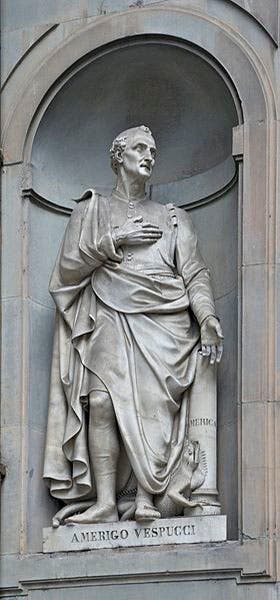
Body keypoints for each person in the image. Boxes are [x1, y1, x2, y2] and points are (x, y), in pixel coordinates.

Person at [43, 125, 223, 525]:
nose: (149, 156)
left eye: (153, 151)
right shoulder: (90, 211)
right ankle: (106, 502)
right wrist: (114, 239)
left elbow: (194, 272)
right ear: (118, 156)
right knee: (103, 402)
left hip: (165, 321)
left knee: (153, 409)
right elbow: (66, 272)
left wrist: (207, 317)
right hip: (108, 311)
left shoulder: (174, 218)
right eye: (140, 148)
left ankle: (146, 497)